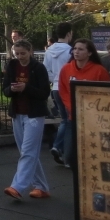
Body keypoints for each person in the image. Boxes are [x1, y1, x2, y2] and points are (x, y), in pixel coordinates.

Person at [2, 39, 51, 200]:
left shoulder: (38, 68)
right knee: (27, 152)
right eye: (17, 54)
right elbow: (5, 89)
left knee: (29, 151)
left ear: (30, 52)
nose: (20, 56)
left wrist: (26, 88)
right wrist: (13, 89)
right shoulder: (12, 66)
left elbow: (44, 93)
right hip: (17, 113)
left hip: (34, 114)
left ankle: (17, 186)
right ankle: (41, 186)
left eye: (23, 53)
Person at [58, 38, 110, 168]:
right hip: (73, 117)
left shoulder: (99, 70)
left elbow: (107, 93)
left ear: (89, 53)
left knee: (93, 155)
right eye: (75, 49)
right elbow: (63, 89)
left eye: (81, 49)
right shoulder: (66, 69)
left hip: (94, 119)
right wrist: (72, 107)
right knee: (69, 157)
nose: (76, 52)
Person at [44, 22, 73, 165]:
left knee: (65, 120)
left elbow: (46, 70)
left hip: (55, 87)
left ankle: (59, 147)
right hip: (68, 87)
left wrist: (55, 79)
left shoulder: (49, 50)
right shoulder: (71, 51)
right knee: (69, 121)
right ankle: (60, 146)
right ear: (69, 34)